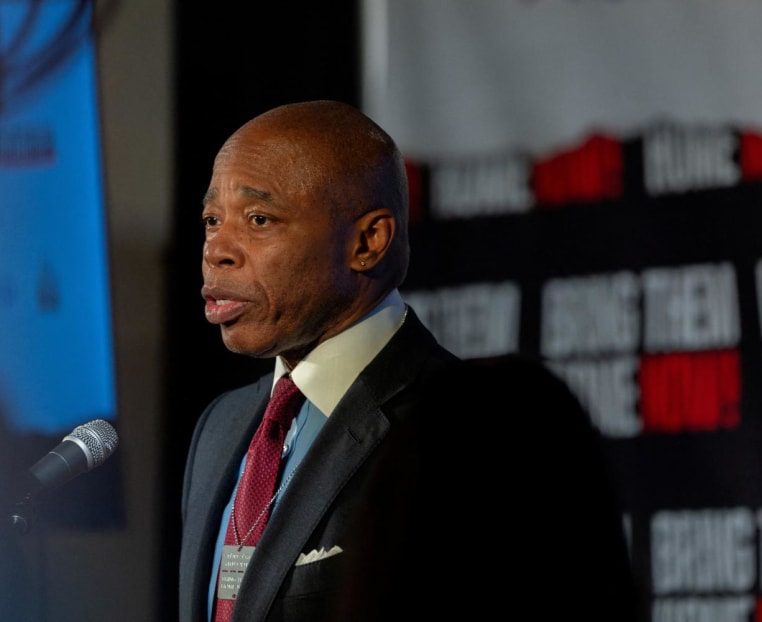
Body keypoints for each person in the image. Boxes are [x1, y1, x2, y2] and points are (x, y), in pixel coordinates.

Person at [178, 100, 643, 622]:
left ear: (368, 242)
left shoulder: (468, 431)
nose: (216, 248)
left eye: (259, 219)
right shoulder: (219, 427)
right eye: (212, 219)